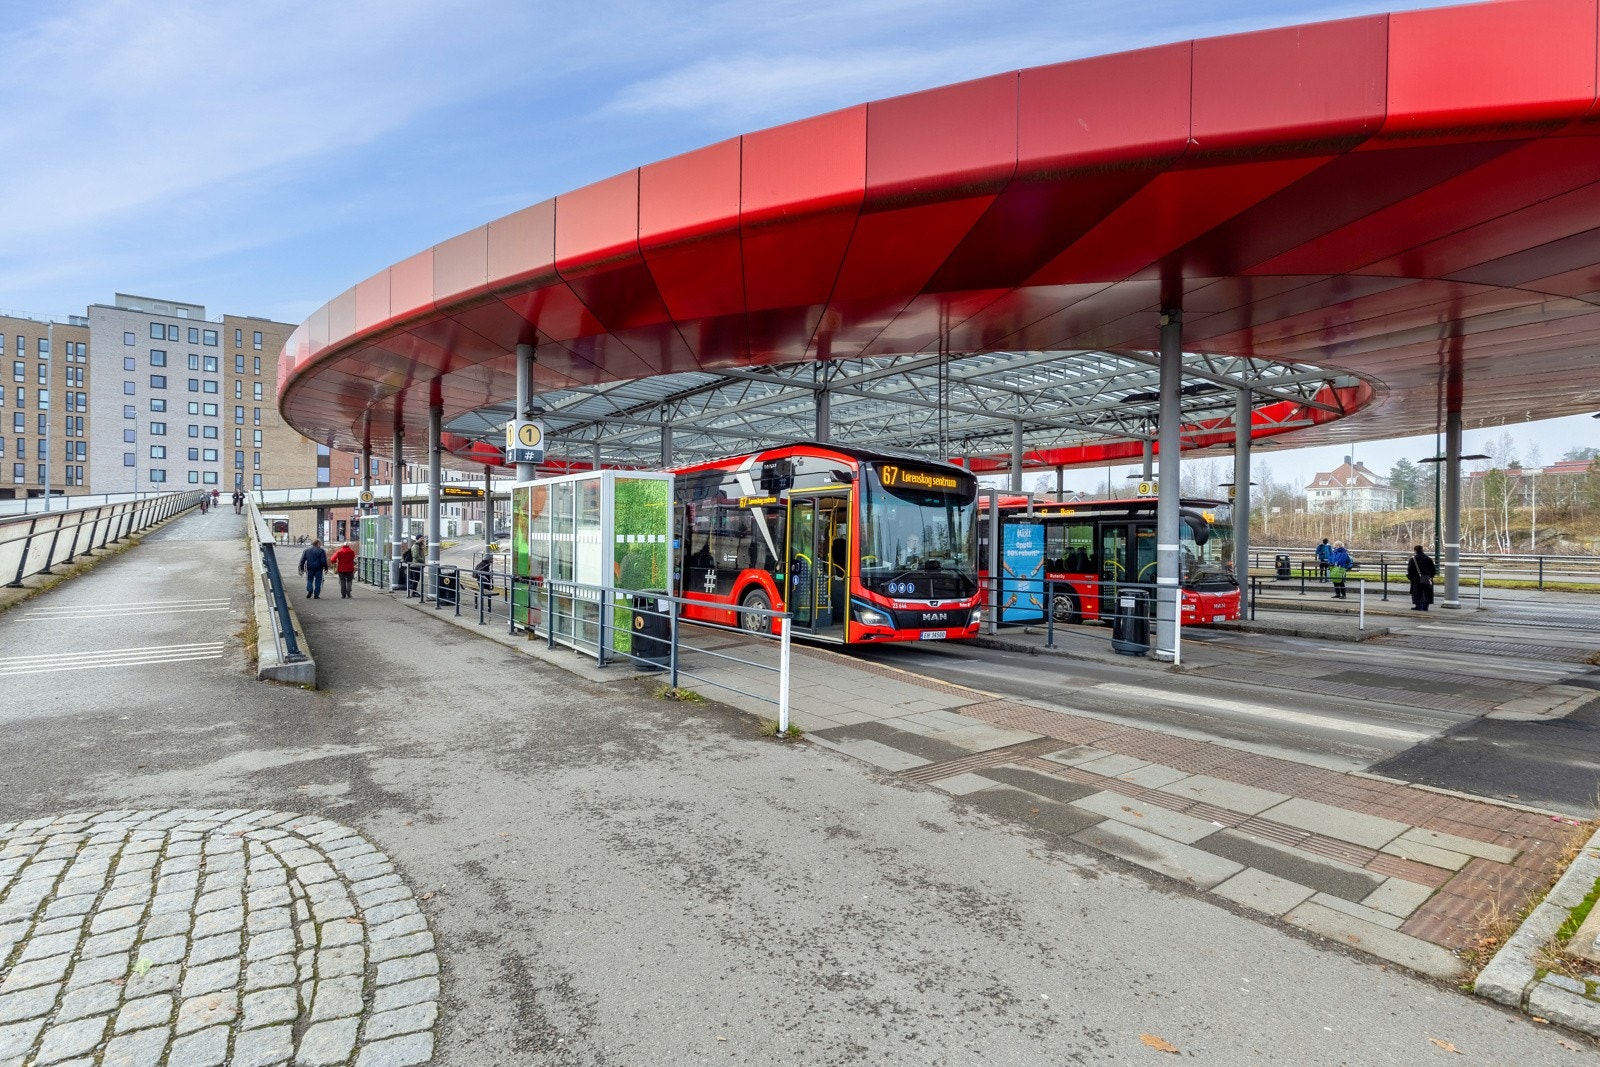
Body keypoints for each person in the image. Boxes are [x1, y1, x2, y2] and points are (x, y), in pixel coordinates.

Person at [1406, 544, 1437, 611]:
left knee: (1417, 592)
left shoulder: (1413, 559)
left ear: (1415, 551)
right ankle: (1426, 606)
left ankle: (1419, 605)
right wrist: (1430, 576)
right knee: (1427, 592)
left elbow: (1410, 570)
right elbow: (1433, 570)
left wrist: (1411, 578)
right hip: (1427, 578)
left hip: (1416, 579)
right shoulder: (1428, 559)